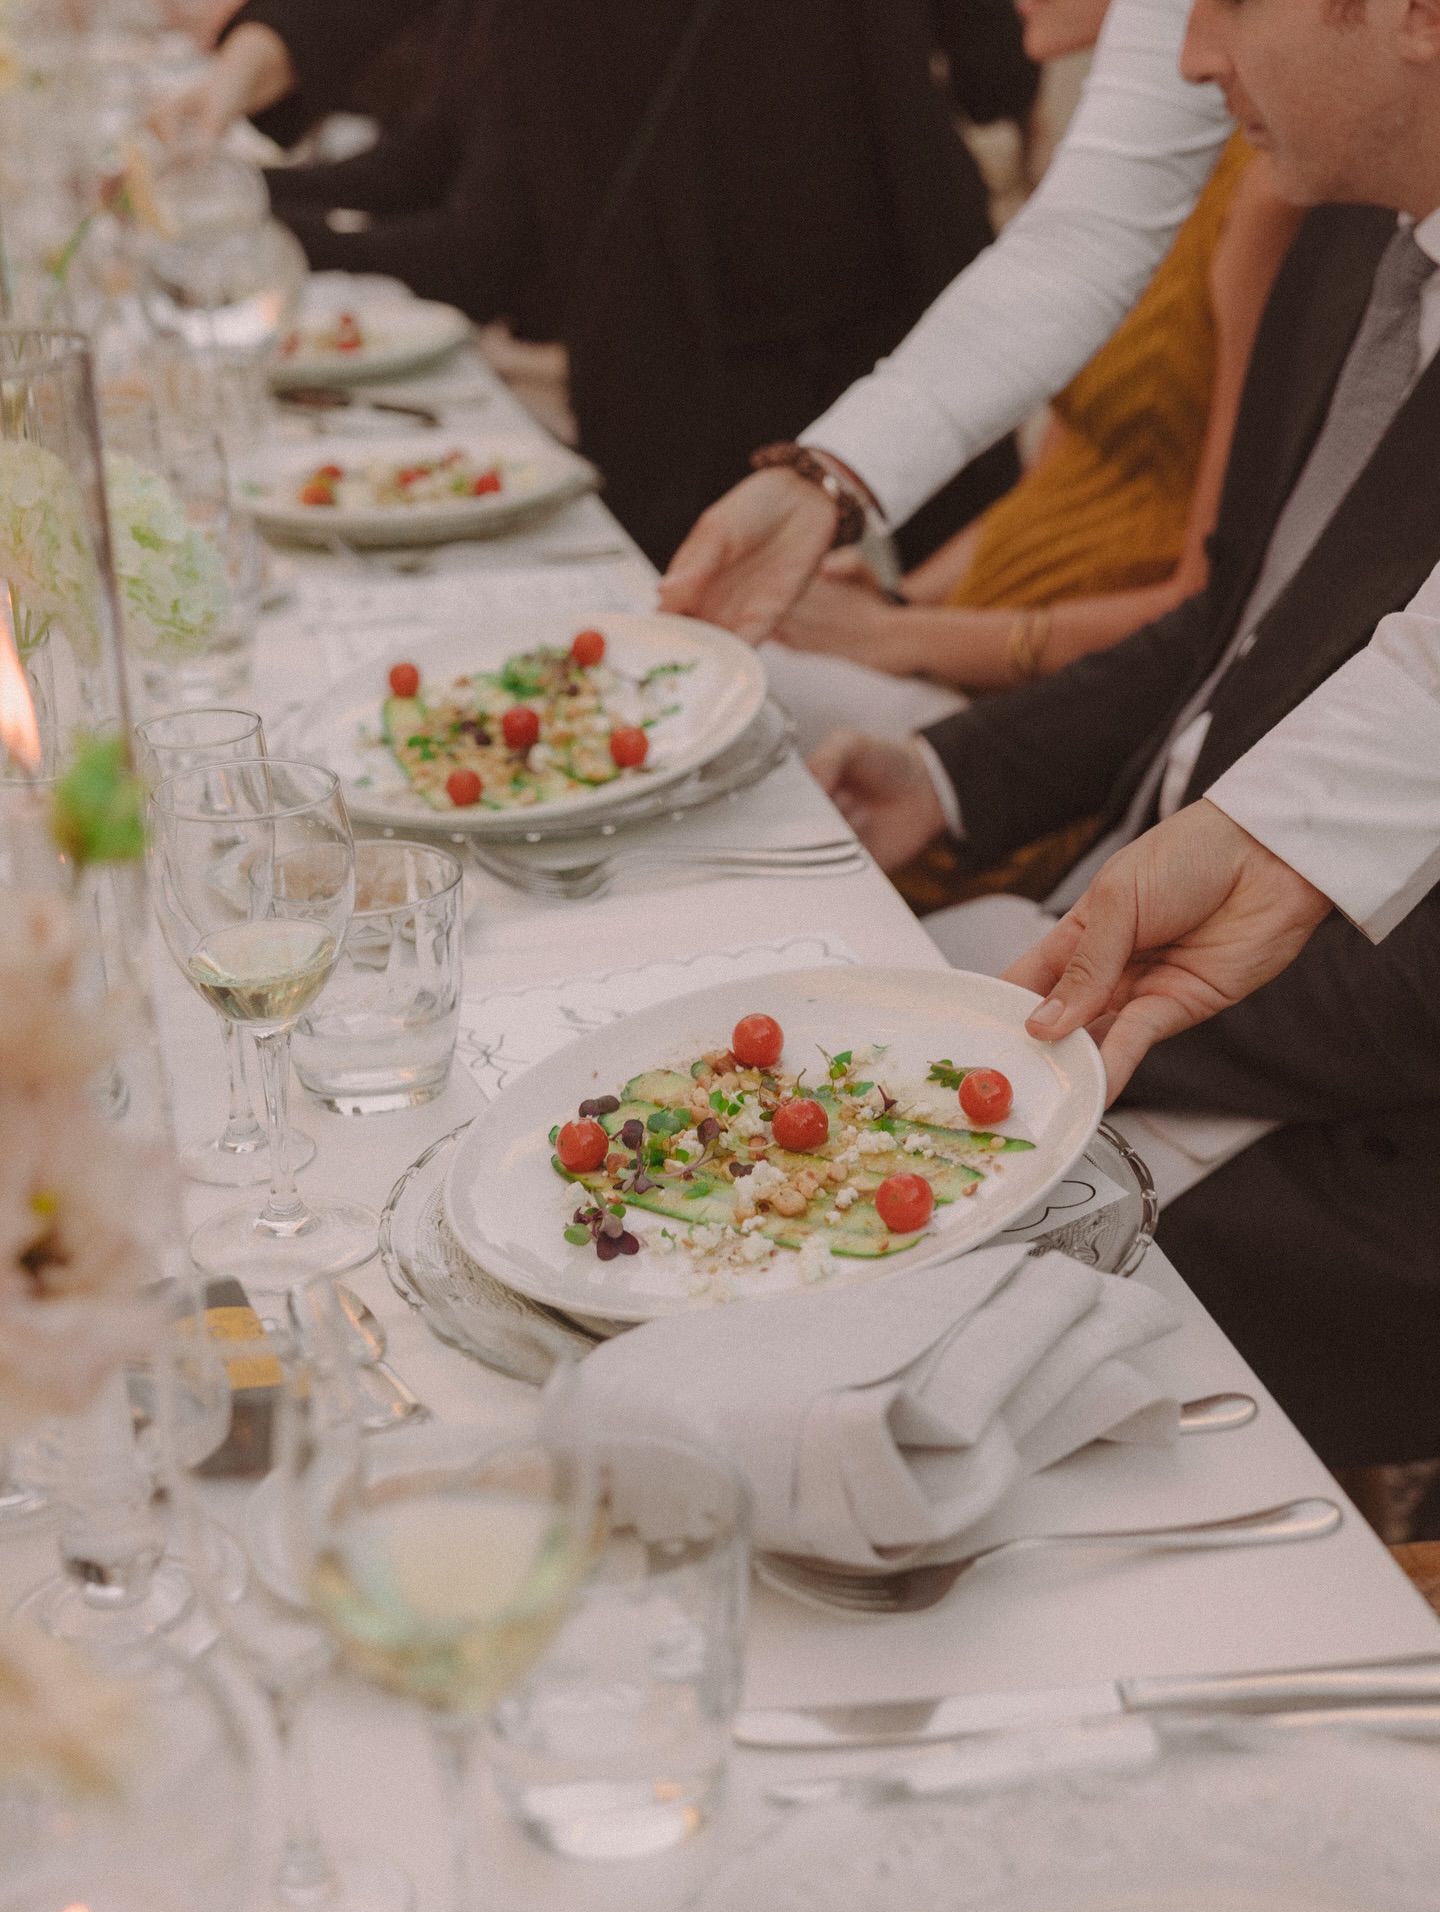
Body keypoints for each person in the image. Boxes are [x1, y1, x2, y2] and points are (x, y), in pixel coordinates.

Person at [810, 0, 1440, 1473]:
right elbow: (1232, 626)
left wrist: (1108, 1006)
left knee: (882, 1341)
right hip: (1180, 965)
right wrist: (952, 776)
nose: (1194, 58)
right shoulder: (1349, 238)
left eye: (1233, 2)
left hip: (1363, 1122)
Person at [161, 0, 1041, 568]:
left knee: (918, 594)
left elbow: (1001, 59)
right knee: (715, 608)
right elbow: (995, 70)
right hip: (695, 296)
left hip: (825, 285)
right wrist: (241, 74)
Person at [766, 118, 1298, 702]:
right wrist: (898, 602)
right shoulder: (1145, 153)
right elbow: (1052, 487)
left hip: (1072, 695)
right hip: (972, 640)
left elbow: (1204, 604)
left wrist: (897, 637)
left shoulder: (1270, 191)